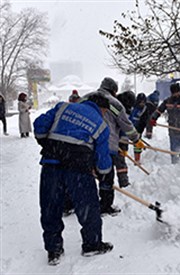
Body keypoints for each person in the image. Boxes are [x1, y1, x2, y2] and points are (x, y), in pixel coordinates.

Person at [33, 93, 114, 265]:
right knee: (88, 207)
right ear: (102, 109)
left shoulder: (63, 107)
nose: (104, 115)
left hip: (51, 164)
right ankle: (92, 244)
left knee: (50, 207)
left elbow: (39, 126)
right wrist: (102, 173)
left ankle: (53, 250)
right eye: (105, 112)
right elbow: (103, 161)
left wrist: (49, 144)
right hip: (78, 170)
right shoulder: (101, 125)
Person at [83, 77, 145, 216]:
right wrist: (136, 139)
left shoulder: (85, 97)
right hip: (106, 143)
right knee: (106, 175)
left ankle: (79, 203)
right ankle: (105, 206)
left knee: (83, 174)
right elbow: (126, 125)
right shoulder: (115, 103)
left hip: (84, 144)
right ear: (113, 90)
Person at [150, 83, 180, 164]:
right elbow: (159, 110)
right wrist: (153, 118)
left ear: (179, 91)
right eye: (173, 93)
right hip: (173, 131)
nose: (175, 94)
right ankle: (175, 167)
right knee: (175, 152)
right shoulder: (168, 101)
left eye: (176, 92)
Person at [115, 90, 137, 187]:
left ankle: (123, 182)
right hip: (112, 138)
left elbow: (127, 126)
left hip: (122, 139)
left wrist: (125, 144)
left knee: (121, 160)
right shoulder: (115, 107)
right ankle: (107, 184)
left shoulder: (127, 109)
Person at [129, 93, 148, 163]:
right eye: (140, 102)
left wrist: (139, 131)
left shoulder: (144, 110)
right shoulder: (133, 107)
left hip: (138, 129)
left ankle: (137, 158)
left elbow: (144, 121)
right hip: (129, 127)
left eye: (143, 102)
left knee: (137, 144)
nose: (142, 104)